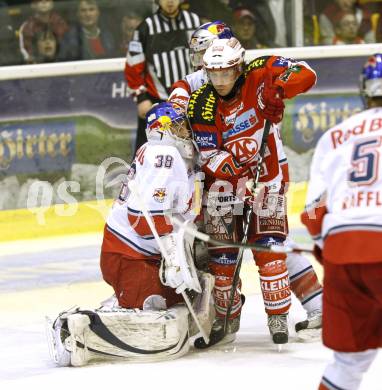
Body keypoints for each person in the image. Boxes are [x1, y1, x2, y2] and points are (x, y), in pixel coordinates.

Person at [170, 22, 323, 342]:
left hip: (265, 173)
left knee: (270, 245)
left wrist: (280, 87)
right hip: (216, 183)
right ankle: (224, 312)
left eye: (206, 50)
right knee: (219, 256)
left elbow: (303, 74)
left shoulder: (255, 72)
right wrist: (176, 125)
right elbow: (176, 125)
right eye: (198, 54)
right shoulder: (191, 89)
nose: (203, 62)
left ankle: (312, 305)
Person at [46, 101, 214, 366]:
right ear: (163, 129)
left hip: (139, 254)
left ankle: (123, 300)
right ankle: (75, 329)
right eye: (180, 126)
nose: (186, 132)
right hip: (129, 255)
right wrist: (172, 258)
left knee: (185, 300)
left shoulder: (175, 157)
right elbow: (143, 218)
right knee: (159, 308)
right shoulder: (164, 154)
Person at [301, 53, 382, 390]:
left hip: (342, 255)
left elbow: (312, 212)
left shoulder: (335, 136)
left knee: (348, 364)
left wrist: (326, 249)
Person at [124, 0, 200, 154]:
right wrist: (141, 98)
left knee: (194, 154)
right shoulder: (145, 28)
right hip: (156, 104)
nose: (170, 1)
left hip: (189, 101)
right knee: (146, 157)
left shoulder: (195, 21)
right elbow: (133, 64)